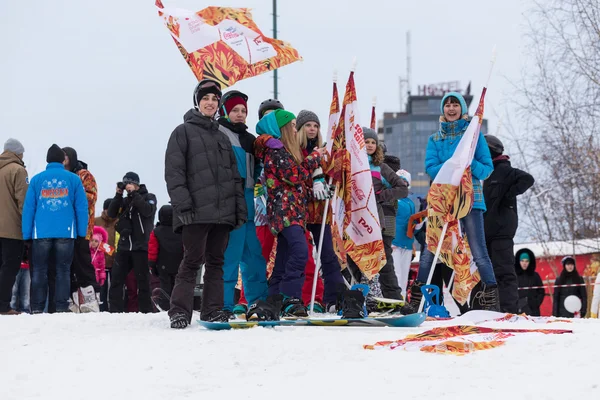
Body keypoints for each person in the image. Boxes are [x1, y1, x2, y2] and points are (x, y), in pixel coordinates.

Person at [165, 79, 246, 328]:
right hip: (195, 212)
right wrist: (183, 205)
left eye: (214, 99)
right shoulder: (182, 131)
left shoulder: (222, 137)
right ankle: (179, 311)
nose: (210, 103)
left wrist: (238, 210)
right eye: (206, 98)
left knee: (216, 262)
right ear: (197, 102)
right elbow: (174, 173)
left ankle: (211, 310)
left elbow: (234, 177)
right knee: (191, 261)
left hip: (222, 213)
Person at [408, 92, 499, 312]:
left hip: (470, 199)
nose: (451, 109)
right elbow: (431, 167)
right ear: (442, 109)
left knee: (478, 250)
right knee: (431, 248)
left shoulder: (474, 136)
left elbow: (486, 169)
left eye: (455, 105)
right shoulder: (434, 139)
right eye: (447, 105)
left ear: (462, 109)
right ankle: (416, 300)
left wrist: (468, 165)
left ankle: (490, 299)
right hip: (443, 201)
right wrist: (453, 167)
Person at [253, 109, 327, 317]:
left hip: (291, 210)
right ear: (284, 127)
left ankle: (274, 297)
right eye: (293, 125)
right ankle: (290, 296)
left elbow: (293, 184)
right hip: (285, 212)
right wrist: (314, 158)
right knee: (300, 251)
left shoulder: (283, 150)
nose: (296, 129)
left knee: (284, 258)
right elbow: (294, 176)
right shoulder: (276, 151)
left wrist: (314, 193)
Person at [217, 90, 268, 315]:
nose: (240, 114)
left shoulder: (249, 140)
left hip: (248, 202)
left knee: (254, 257)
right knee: (230, 257)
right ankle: (223, 305)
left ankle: (258, 302)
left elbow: (256, 171)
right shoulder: (218, 132)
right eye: (235, 110)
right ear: (225, 112)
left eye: (243, 111)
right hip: (229, 202)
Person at [22, 144, 88, 313]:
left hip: (41, 233)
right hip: (66, 232)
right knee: (63, 270)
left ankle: (37, 307)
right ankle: (61, 306)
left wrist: (26, 235)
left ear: (47, 160)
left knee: (39, 270)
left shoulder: (37, 180)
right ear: (61, 160)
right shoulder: (73, 179)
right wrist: (81, 233)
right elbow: (81, 208)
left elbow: (29, 209)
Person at [296, 109, 345, 311]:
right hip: (298, 212)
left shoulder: (324, 154)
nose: (312, 129)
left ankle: (334, 298)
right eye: (308, 125)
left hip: (320, 212)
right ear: (300, 128)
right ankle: (302, 298)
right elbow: (296, 176)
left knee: (328, 255)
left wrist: (329, 185)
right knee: (301, 257)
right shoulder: (295, 151)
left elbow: (330, 175)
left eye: (315, 126)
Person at [483, 135, 535, 313]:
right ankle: (492, 308)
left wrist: (508, 197)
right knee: (489, 274)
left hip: (502, 230)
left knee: (504, 271)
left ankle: (509, 309)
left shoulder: (504, 169)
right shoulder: (483, 172)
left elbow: (528, 179)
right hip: (486, 231)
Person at [360, 127, 407, 301]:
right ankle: (363, 294)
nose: (370, 145)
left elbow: (402, 188)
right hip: (358, 220)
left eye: (373, 142)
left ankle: (393, 296)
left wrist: (380, 196)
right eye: (366, 142)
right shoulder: (353, 166)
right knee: (358, 257)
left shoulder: (380, 167)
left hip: (380, 220)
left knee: (384, 258)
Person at [107, 172, 157, 314]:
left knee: (143, 281)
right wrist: (118, 195)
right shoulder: (124, 201)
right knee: (116, 280)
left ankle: (145, 311)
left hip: (140, 246)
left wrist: (135, 194)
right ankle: (114, 311)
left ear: (137, 184)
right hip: (124, 246)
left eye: (130, 183)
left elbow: (147, 211)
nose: (128, 186)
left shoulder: (149, 197)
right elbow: (111, 213)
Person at [62, 147, 100, 312]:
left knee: (83, 263)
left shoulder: (84, 175)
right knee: (68, 265)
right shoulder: (61, 176)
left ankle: (92, 299)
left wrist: (71, 195)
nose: (62, 160)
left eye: (64, 157)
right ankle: (73, 301)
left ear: (71, 157)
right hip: (65, 229)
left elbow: (91, 196)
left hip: (82, 228)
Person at [0, 139, 29, 315]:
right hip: (11, 229)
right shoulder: (18, 170)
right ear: (18, 153)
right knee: (9, 268)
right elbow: (23, 202)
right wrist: (27, 229)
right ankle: (3, 305)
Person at [148, 205, 183, 311]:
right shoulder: (181, 230)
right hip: (179, 263)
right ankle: (179, 306)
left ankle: (165, 306)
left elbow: (152, 249)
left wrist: (151, 264)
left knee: (165, 287)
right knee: (178, 286)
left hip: (163, 265)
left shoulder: (157, 231)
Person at [392, 169, 416, 296]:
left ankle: (402, 300)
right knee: (396, 273)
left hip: (406, 243)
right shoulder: (391, 199)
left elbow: (414, 225)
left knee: (404, 274)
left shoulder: (411, 203)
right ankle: (394, 299)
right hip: (394, 243)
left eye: (404, 182)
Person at [95, 198, 117, 311]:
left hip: (116, 260)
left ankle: (114, 309)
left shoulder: (119, 221)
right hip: (99, 261)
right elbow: (92, 240)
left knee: (115, 287)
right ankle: (101, 308)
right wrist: (108, 249)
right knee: (101, 287)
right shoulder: (96, 221)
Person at [514, 249, 545, 316]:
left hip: (533, 311)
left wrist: (536, 303)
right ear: (518, 261)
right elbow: (510, 291)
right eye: (522, 261)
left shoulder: (535, 276)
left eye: (526, 261)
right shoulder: (514, 276)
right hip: (518, 311)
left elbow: (541, 291)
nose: (524, 263)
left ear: (530, 262)